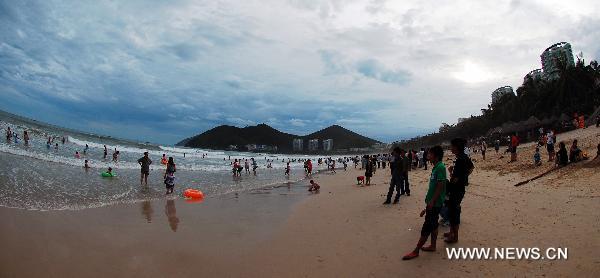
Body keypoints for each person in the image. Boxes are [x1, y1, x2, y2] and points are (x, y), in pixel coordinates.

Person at [402, 146, 447, 260]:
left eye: (430, 154)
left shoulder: (440, 167)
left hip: (435, 203)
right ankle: (433, 245)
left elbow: (441, 186)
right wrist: (427, 206)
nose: (428, 156)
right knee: (434, 224)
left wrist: (432, 201)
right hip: (433, 203)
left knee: (426, 227)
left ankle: (416, 251)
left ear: (435, 156)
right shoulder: (436, 167)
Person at [444, 138, 473, 244]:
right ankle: (451, 232)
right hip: (460, 188)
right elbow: (471, 168)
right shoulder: (463, 157)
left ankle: (454, 236)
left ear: (456, 147)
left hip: (456, 190)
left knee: (453, 213)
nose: (450, 148)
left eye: (451, 146)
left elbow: (455, 180)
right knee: (453, 211)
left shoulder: (460, 159)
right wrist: (464, 177)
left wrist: (451, 173)